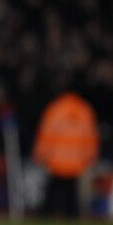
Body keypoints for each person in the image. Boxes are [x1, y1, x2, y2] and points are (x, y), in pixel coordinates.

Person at [33, 89, 99, 218]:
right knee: (72, 197)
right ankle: (72, 217)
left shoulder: (55, 108)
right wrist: (91, 157)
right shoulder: (85, 110)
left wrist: (40, 155)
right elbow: (91, 137)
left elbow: (45, 135)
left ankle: (52, 217)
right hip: (77, 163)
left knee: (56, 195)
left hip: (56, 161)